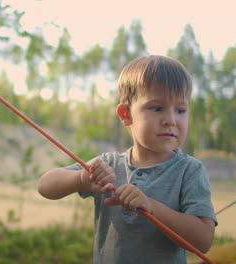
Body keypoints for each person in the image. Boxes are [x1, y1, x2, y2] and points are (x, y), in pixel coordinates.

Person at [38, 55, 217, 264]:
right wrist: (81, 179)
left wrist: (151, 206)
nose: (170, 120)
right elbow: (45, 186)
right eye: (157, 108)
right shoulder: (108, 165)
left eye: (180, 110)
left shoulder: (189, 170)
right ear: (126, 114)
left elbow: (203, 240)